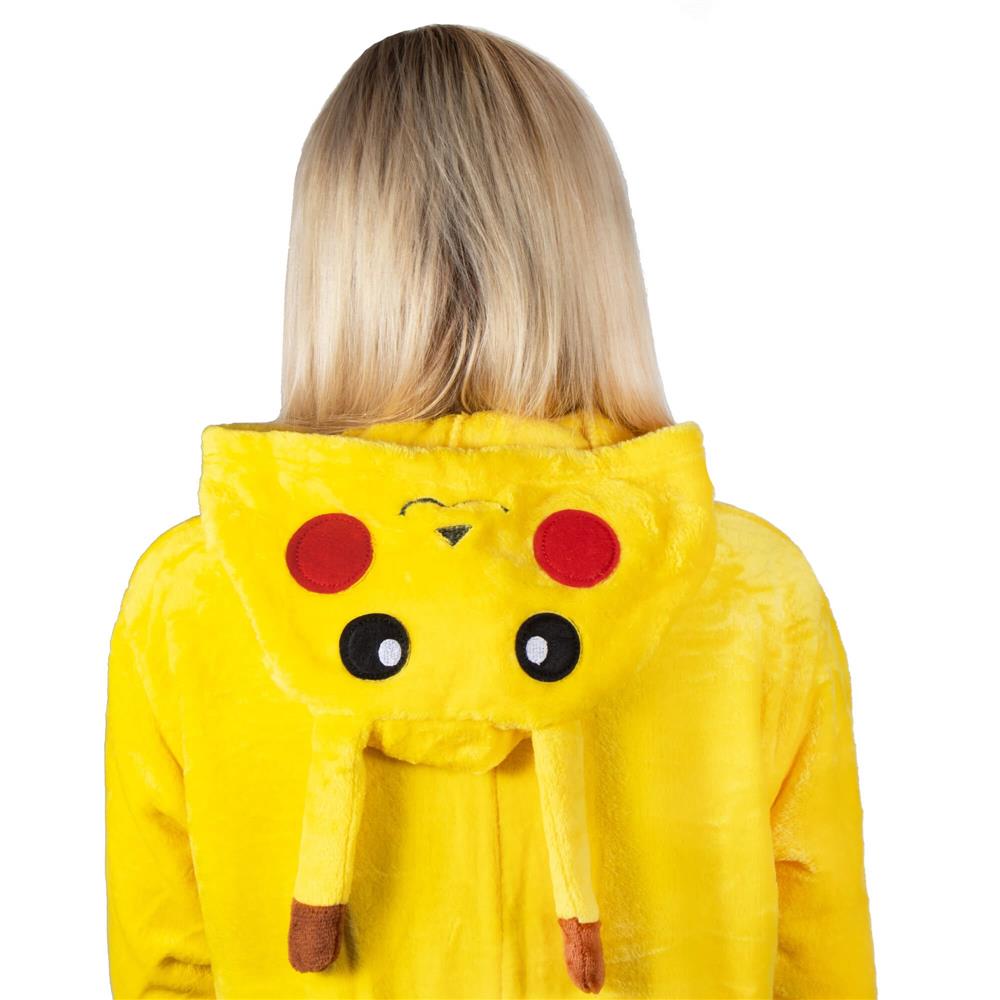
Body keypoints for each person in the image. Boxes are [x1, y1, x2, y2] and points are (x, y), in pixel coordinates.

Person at [105, 24, 876, 999]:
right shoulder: (745, 586)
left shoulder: (200, 591)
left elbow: (168, 972)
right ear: (592, 252)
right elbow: (819, 965)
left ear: (330, 266)